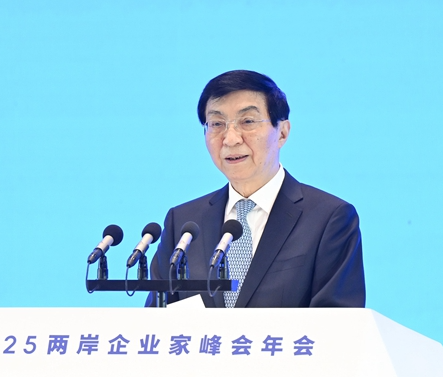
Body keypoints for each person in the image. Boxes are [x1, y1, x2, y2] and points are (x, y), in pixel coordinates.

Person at [145, 70, 365, 308]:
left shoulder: (329, 218)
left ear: (282, 132)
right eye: (217, 124)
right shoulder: (183, 223)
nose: (231, 139)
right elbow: (157, 322)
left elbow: (339, 323)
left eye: (248, 121)